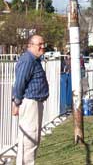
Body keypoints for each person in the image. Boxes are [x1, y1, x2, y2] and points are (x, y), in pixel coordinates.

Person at [12, 35, 49, 165]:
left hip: (36, 103)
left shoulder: (35, 60)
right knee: (28, 141)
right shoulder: (28, 60)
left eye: (43, 44)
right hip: (30, 103)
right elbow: (20, 83)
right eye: (39, 44)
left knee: (33, 139)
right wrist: (16, 102)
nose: (42, 47)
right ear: (30, 45)